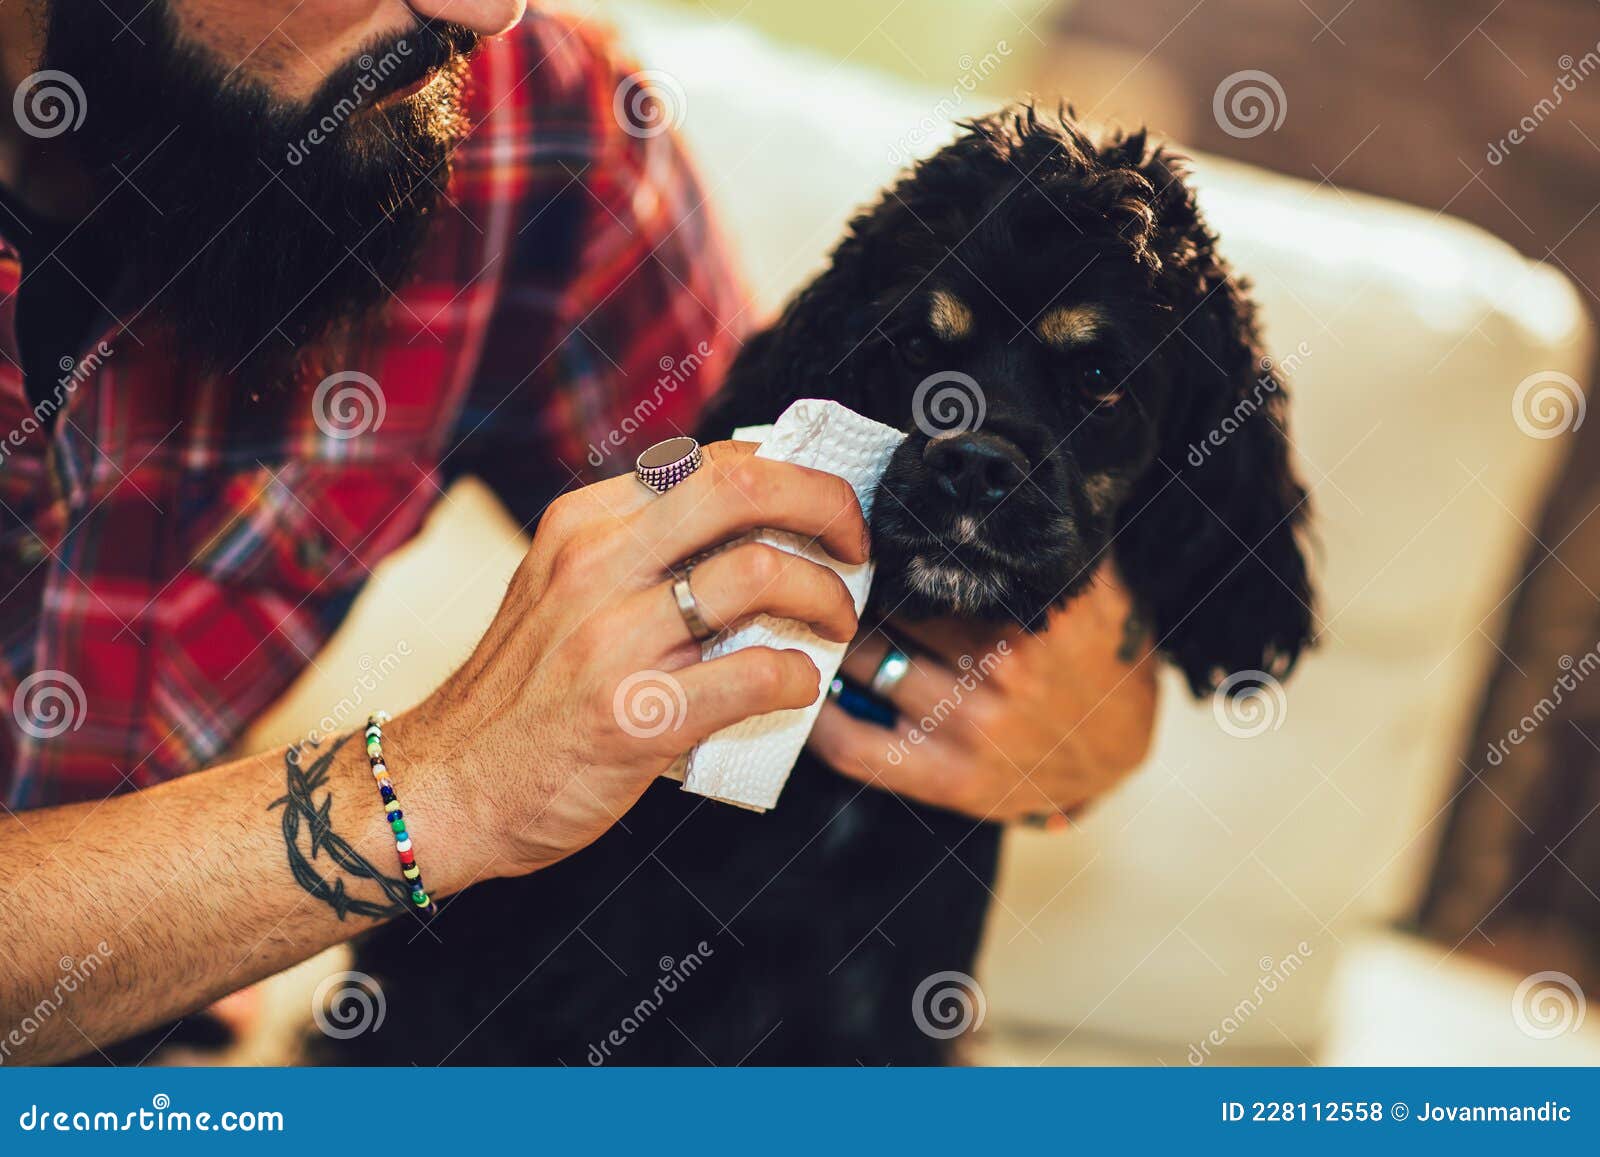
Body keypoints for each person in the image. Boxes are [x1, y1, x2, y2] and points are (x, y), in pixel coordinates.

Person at [0, 1, 1156, 1065]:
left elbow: (792, 521)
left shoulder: (523, 139)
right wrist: (431, 789)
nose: (480, 10)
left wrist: (1077, 709)